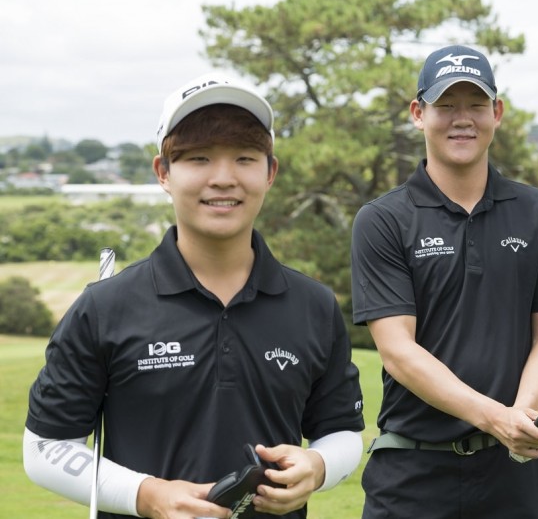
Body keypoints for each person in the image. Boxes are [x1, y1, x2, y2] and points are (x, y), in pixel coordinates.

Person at [24, 73, 365, 519]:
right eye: (199, 158)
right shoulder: (105, 307)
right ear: (163, 173)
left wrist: (317, 466)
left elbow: (341, 432)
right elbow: (45, 448)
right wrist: (145, 495)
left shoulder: (313, 305)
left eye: (245, 158)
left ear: (270, 172)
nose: (223, 179)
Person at [350, 45, 538, 518]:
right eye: (446, 105)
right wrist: (498, 418)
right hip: (412, 472)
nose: (462, 118)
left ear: (497, 112)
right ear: (418, 113)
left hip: (512, 476)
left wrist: (522, 417)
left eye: (475, 104)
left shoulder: (537, 211)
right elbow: (400, 353)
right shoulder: (384, 219)